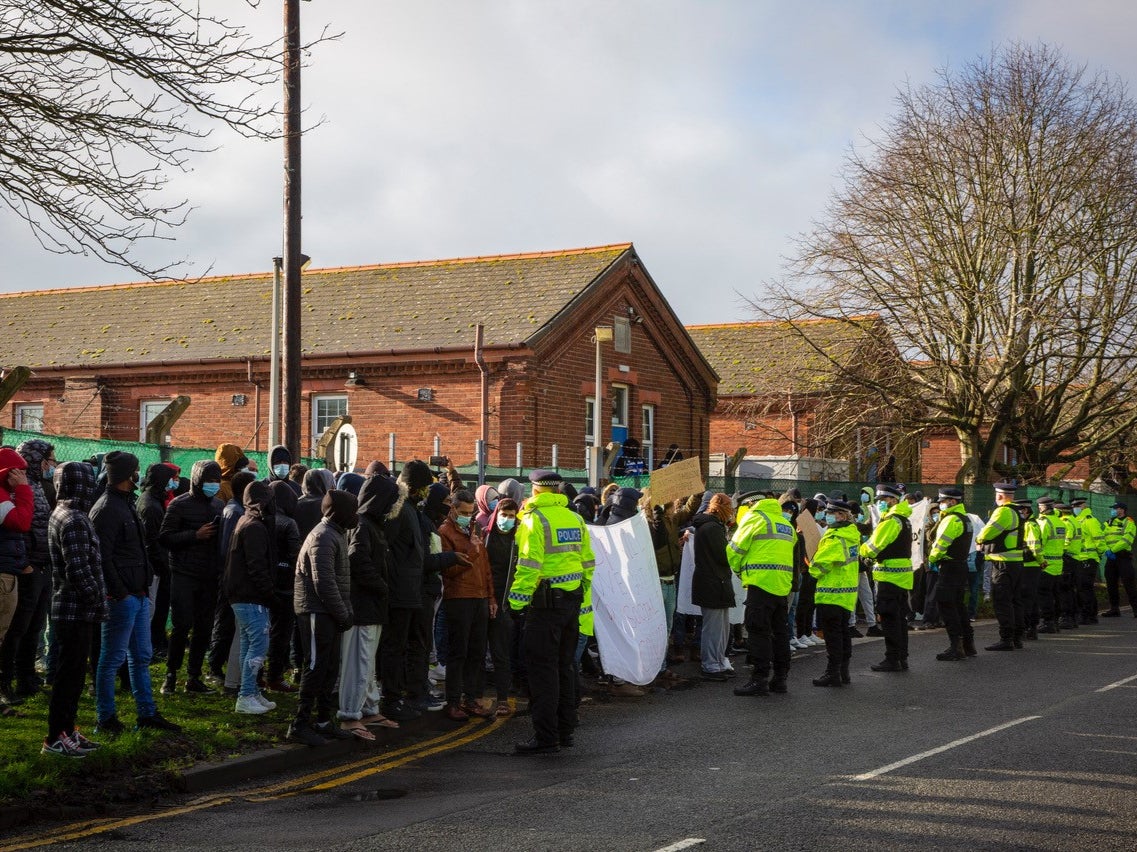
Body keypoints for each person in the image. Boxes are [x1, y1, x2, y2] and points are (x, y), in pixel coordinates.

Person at [90, 451, 180, 734]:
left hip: (137, 594)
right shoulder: (106, 509)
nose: (139, 475)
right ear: (128, 475)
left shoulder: (126, 503)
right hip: (123, 598)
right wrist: (120, 592)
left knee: (140, 656)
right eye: (136, 470)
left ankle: (146, 713)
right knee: (111, 659)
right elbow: (102, 557)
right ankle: (106, 718)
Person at [508, 470, 593, 754]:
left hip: (545, 606)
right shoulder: (574, 518)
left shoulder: (535, 519)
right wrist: (580, 595)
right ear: (557, 491)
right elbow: (588, 563)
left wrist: (516, 603)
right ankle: (565, 730)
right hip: (572, 601)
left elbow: (528, 566)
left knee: (542, 671)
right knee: (565, 667)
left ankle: (546, 737)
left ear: (534, 490)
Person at [43, 462, 106, 758]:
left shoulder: (62, 512)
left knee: (73, 676)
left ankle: (67, 731)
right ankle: (56, 736)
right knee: (69, 678)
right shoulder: (75, 520)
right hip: (76, 609)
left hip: (68, 607)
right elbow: (78, 569)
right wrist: (97, 599)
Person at [288, 490, 357, 746]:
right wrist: (343, 613)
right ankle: (299, 724)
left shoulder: (335, 533)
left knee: (329, 668)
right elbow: (324, 583)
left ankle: (324, 721)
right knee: (315, 667)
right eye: (352, 511)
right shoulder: (323, 536)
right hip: (316, 611)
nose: (356, 516)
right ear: (340, 513)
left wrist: (343, 612)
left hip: (329, 612)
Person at [159, 459, 224, 694]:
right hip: (184, 573)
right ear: (197, 480)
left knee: (204, 627)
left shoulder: (219, 505)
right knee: (181, 625)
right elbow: (165, 537)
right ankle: (171, 674)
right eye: (209, 481)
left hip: (209, 575)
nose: (213, 485)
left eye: (216, 481)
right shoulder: (179, 505)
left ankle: (193, 676)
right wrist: (195, 535)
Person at [340, 473, 398, 738]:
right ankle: (350, 714)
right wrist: (381, 586)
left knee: (367, 663)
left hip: (372, 606)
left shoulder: (371, 524)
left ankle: (368, 708)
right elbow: (357, 559)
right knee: (359, 662)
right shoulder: (363, 525)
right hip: (363, 606)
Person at [0, 439, 53, 704]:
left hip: (38, 565)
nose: (51, 466)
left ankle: (26, 677)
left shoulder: (39, 487)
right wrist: (27, 563)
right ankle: (7, 681)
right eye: (49, 460)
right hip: (21, 567)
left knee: (33, 626)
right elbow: (22, 524)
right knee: (15, 629)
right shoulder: (13, 491)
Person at [728, 491, 796, 697]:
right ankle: (780, 679)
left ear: (751, 504)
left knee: (758, 632)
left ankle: (759, 679)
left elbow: (734, 550)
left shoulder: (755, 519)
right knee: (780, 633)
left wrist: (739, 571)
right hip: (781, 586)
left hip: (760, 584)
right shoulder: (785, 524)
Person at [438, 489, 496, 721]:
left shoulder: (475, 529)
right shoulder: (445, 532)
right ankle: (453, 701)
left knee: (476, 652)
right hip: (459, 598)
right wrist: (471, 551)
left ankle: (471, 698)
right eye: (463, 512)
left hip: (479, 597)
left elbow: (486, 567)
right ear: (452, 509)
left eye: (470, 513)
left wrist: (490, 597)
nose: (467, 517)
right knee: (458, 652)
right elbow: (448, 570)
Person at [223, 480, 278, 715]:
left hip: (242, 594)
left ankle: (251, 691)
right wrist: (270, 593)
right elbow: (256, 566)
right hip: (250, 595)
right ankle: (246, 695)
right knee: (258, 644)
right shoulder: (255, 527)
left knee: (248, 644)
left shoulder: (245, 521)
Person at [207, 469, 256, 685]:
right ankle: (215, 666)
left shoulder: (237, 509)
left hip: (232, 575)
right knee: (225, 622)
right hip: (229, 576)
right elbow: (228, 548)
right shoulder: (234, 511)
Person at [860, 484, 913, 672]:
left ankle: (892, 659)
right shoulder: (904, 520)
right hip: (902, 577)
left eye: (883, 500)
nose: (880, 503)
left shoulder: (891, 521)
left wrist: (862, 551)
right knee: (900, 619)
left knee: (889, 618)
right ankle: (902, 657)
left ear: (893, 500)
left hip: (889, 576)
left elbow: (873, 546)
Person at [809, 497, 860, 687]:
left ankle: (833, 673)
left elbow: (819, 567)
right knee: (843, 633)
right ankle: (843, 672)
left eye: (831, 513)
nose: (828, 516)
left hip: (831, 593)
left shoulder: (835, 538)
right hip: (846, 594)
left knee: (833, 636)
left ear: (842, 516)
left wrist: (811, 563)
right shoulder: (851, 534)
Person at [926, 487, 975, 661]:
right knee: (959, 606)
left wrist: (932, 558)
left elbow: (940, 544)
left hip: (949, 567)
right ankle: (968, 644)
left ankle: (956, 646)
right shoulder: (965, 518)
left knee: (947, 606)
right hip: (961, 566)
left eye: (943, 501)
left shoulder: (951, 520)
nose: (940, 505)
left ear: (952, 501)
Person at [0, 447, 33, 703]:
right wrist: (23, 491)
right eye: (20, 472)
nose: (24, 477)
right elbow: (21, 522)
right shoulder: (2, 497)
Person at [691, 494, 736, 681]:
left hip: (714, 582)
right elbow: (724, 556)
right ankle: (711, 665)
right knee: (714, 629)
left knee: (720, 628)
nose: (731, 511)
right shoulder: (712, 528)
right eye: (729, 507)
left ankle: (716, 662)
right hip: (714, 583)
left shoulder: (710, 526)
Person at [975, 481, 1024, 651]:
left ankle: (1006, 639)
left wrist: (979, 540)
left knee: (1002, 601)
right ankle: (1017, 637)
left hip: (1002, 562)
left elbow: (987, 532)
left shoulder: (1003, 511)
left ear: (1000, 496)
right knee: (1015, 601)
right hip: (1015, 562)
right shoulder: (1017, 511)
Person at [137, 463, 179, 659]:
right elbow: (153, 542)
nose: (174, 482)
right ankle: (147, 648)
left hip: (156, 565)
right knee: (151, 610)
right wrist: (164, 567)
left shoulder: (154, 500)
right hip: (154, 567)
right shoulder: (151, 506)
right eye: (171, 478)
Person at [265, 481, 301, 692]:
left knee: (262, 632)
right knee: (281, 632)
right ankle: (275, 676)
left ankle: (258, 676)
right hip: (286, 584)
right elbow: (295, 554)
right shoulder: (289, 523)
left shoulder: (262, 519)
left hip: (264, 582)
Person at [485, 497, 519, 712]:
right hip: (483, 598)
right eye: (503, 515)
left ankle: (503, 698)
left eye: (511, 516)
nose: (506, 519)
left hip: (505, 603)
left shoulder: (518, 539)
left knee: (501, 653)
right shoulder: (485, 536)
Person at [1070, 497, 1104, 625]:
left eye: (1077, 506)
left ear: (1083, 506)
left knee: (1085, 588)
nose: (1075, 509)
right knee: (1082, 588)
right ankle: (1089, 614)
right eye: (1073, 507)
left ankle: (1088, 615)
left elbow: (1099, 540)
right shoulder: (1077, 520)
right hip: (1080, 558)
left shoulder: (1090, 521)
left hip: (1089, 559)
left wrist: (1098, 555)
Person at [1035, 496, 1066, 634]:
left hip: (1046, 563)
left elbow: (1039, 542)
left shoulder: (1044, 522)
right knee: (1055, 593)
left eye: (1039, 507)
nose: (1038, 509)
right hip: (1058, 563)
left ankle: (1047, 622)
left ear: (1043, 508)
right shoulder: (1060, 522)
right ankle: (1055, 621)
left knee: (1044, 594)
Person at [1016, 498, 1046, 642]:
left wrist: (1041, 561)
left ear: (1025, 510)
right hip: (1030, 566)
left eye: (1019, 510)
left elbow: (1034, 546)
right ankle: (1031, 629)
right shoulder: (1029, 523)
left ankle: (1026, 627)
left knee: (1026, 599)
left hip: (1029, 566)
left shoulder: (1030, 525)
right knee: (1031, 599)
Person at [1101, 501, 1137, 618]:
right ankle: (1114, 609)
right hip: (1111, 558)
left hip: (1123, 557)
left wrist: (1112, 550)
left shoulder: (1129, 522)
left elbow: (1127, 540)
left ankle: (1136, 608)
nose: (1113, 510)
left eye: (1115, 508)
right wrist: (1107, 550)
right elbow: (1102, 537)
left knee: (1129, 583)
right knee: (1111, 583)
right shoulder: (1109, 522)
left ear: (1122, 510)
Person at [1057, 502, 1082, 630]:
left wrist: (1059, 551)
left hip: (1066, 558)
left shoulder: (1065, 522)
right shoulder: (1075, 521)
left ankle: (1066, 617)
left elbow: (1066, 541)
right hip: (1074, 558)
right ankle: (1073, 617)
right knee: (1070, 589)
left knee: (1064, 589)